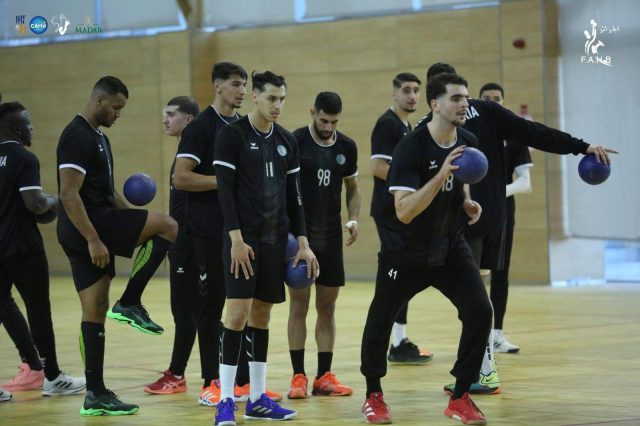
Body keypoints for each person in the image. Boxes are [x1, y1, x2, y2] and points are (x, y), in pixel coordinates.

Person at [418, 63, 615, 396]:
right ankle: (482, 368)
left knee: (472, 301)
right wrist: (581, 146)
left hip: (467, 219)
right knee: (478, 295)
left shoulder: (431, 126)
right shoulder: (488, 110)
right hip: (497, 217)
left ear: (432, 95)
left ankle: (483, 371)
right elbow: (534, 132)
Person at [360, 73, 491, 425]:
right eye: (456, 98)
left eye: (466, 97)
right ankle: (373, 394)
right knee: (380, 319)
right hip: (405, 250)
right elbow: (404, 211)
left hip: (449, 246)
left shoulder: (468, 140)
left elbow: (461, 183)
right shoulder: (411, 147)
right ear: (435, 104)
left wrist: (466, 202)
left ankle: (460, 396)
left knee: (480, 311)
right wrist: (440, 174)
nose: (464, 104)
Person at [56, 76, 178, 415]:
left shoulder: (99, 138)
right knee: (168, 226)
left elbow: (106, 191)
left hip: (93, 224)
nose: (118, 114)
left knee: (94, 309)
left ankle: (95, 394)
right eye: (115, 107)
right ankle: (130, 301)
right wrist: (93, 238)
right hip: (90, 226)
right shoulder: (77, 135)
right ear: (99, 100)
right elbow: (68, 193)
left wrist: (130, 218)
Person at [213, 70, 319, 425]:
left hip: (276, 242)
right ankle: (226, 400)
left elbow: (295, 197)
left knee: (261, 316)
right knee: (236, 315)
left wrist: (303, 243)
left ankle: (258, 399)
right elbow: (225, 192)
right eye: (271, 98)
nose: (277, 105)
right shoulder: (232, 136)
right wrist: (235, 239)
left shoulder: (287, 141)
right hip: (242, 243)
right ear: (255, 96)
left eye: (282, 99)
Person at [0, 101, 86, 403]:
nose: (32, 128)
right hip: (23, 248)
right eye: (28, 124)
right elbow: (35, 204)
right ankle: (52, 378)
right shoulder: (24, 158)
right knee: (38, 310)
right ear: (16, 128)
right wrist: (57, 202)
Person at [287, 91, 360, 399]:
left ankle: (324, 377)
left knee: (327, 308)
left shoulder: (347, 146)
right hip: (301, 239)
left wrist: (353, 219)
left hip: (331, 238)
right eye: (323, 120)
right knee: (299, 306)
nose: (328, 127)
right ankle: (298, 377)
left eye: (334, 122)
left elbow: (353, 188)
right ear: (312, 113)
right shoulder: (295, 142)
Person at [370, 72, 433, 365]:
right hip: (389, 211)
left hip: (401, 211)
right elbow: (378, 168)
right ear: (394, 93)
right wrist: (414, 187)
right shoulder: (387, 124)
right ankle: (392, 343)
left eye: (416, 90)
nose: (412, 96)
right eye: (406, 90)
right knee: (395, 275)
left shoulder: (407, 126)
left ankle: (399, 340)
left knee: (402, 274)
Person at [143, 96, 200, 396]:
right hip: (182, 242)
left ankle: (180, 374)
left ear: (188, 119)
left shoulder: (194, 151)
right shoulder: (183, 150)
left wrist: (184, 240)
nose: (165, 119)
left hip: (191, 244)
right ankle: (180, 373)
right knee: (188, 311)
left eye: (171, 114)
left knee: (193, 311)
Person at [478, 82, 533, 353]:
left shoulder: (514, 134)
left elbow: (525, 182)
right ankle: (477, 335)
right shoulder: (469, 133)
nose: (492, 102)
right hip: (473, 210)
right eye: (487, 98)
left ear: (504, 102)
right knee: (474, 274)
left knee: (500, 272)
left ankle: (496, 334)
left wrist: (497, 193)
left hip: (502, 212)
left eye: (497, 99)